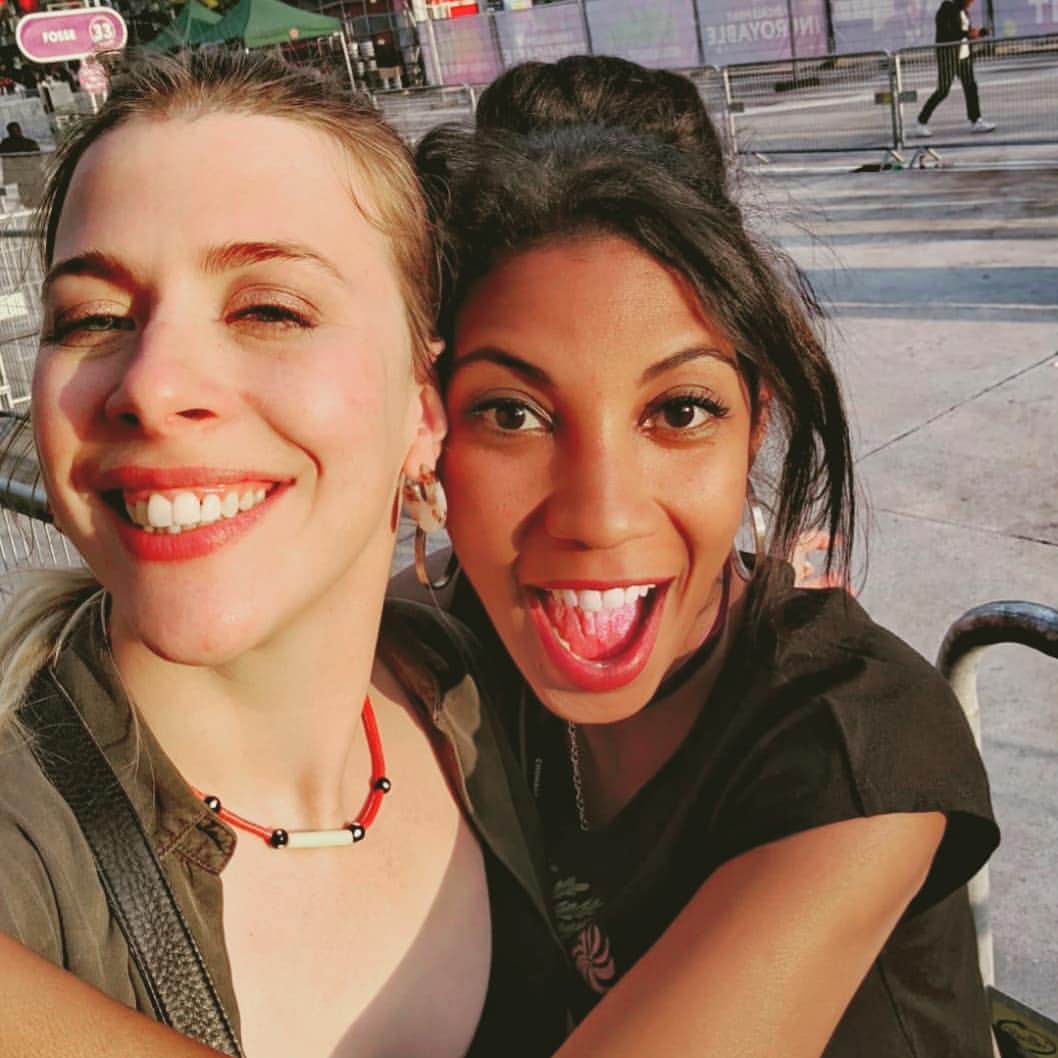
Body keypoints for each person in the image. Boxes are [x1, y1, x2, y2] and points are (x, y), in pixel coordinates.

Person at [413, 55, 1000, 1056]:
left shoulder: (856, 743)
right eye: (510, 413)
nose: (600, 516)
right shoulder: (459, 642)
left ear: (754, 420)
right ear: (427, 431)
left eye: (679, 411)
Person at [0, 49, 565, 1058]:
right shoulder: (25, 856)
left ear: (422, 409)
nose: (153, 385)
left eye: (268, 308)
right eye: (93, 318)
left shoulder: (497, 702)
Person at [914, 0, 995, 136]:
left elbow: (966, 32)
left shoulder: (963, 11)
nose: (971, 3)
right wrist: (968, 34)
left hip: (964, 56)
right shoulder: (946, 9)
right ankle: (921, 122)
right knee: (943, 90)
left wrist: (979, 33)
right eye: (969, 1)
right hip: (948, 56)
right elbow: (948, 34)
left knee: (970, 87)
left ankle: (976, 120)